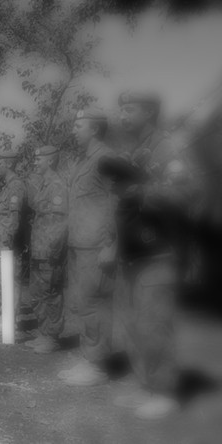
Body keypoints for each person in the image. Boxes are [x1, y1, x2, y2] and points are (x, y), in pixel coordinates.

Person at [110, 89, 186, 420]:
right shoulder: (138, 152)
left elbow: (185, 195)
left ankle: (165, 391)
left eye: (130, 110)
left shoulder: (168, 149)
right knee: (135, 324)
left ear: (149, 114)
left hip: (158, 252)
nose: (123, 116)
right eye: (121, 110)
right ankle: (145, 383)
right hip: (133, 253)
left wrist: (141, 191)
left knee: (155, 324)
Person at [61, 107, 117, 387]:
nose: (73, 129)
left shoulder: (106, 158)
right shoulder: (85, 161)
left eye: (78, 125)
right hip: (80, 243)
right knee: (83, 303)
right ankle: (89, 357)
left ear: (94, 129)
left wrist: (111, 244)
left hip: (96, 245)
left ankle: (97, 365)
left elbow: (117, 203)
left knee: (94, 303)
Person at [25, 145, 68, 354]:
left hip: (50, 250)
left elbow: (59, 222)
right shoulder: (43, 186)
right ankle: (43, 333)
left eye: (38, 159)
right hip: (39, 248)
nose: (35, 162)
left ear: (50, 160)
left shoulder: (57, 185)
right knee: (38, 293)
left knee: (50, 294)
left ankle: (52, 337)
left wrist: (53, 250)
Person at [0, 146, 26, 330]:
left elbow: (14, 217)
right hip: (1, 242)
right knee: (1, 280)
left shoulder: (16, 186)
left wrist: (9, 240)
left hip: (8, 243)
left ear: (9, 164)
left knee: (10, 280)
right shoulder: (7, 187)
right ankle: (5, 315)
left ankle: (12, 320)